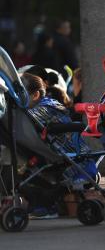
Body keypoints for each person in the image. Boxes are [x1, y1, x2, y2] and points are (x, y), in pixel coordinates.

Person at [21, 73, 96, 218]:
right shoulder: (41, 106)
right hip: (59, 158)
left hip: (76, 162)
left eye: (21, 94)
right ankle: (44, 203)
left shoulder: (45, 108)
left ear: (35, 95)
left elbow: (27, 118)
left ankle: (47, 204)